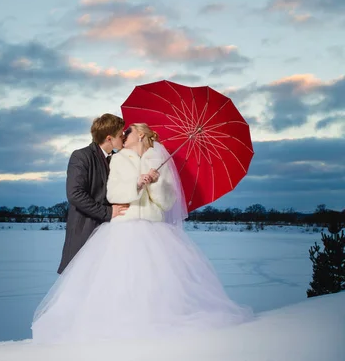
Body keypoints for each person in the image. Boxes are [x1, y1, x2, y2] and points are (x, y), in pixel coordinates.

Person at [32, 123, 251, 343]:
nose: (125, 134)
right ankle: (116, 325)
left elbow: (167, 202)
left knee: (157, 281)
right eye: (123, 132)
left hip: (153, 228)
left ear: (141, 134)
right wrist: (137, 182)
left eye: (130, 131)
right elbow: (113, 193)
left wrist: (155, 183)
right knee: (119, 279)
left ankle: (157, 324)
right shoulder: (117, 159)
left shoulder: (159, 159)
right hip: (123, 226)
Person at [57, 114, 129, 274]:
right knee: (82, 284)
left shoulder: (118, 159)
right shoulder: (81, 156)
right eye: (121, 134)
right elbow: (75, 194)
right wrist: (109, 212)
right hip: (85, 231)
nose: (124, 137)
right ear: (109, 138)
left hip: (112, 235)